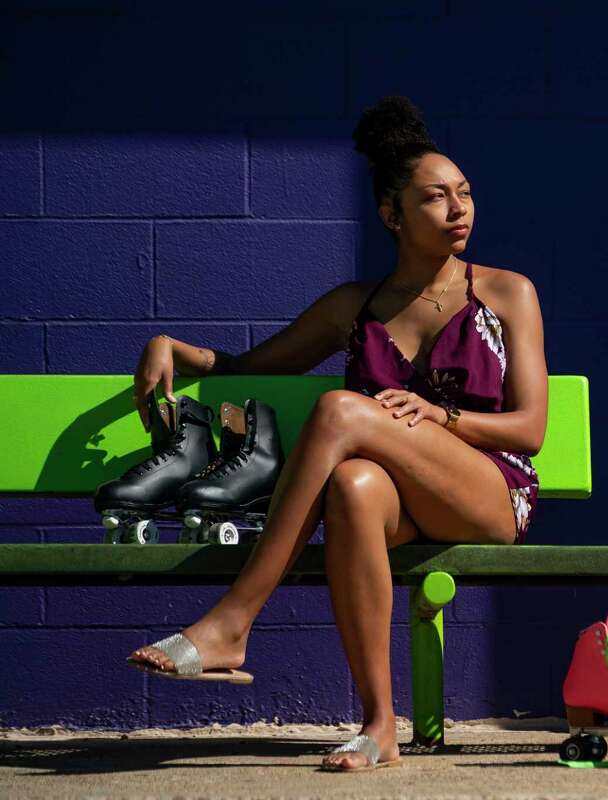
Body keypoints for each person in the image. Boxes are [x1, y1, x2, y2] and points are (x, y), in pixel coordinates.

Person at [125, 95, 548, 772]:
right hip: (398, 504)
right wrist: (169, 345)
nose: (458, 208)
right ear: (392, 215)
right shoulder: (352, 309)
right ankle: (379, 726)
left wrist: (444, 417)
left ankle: (235, 619)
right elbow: (245, 369)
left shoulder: (503, 292)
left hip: (488, 491)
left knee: (337, 411)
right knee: (352, 485)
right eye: (436, 197)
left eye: (464, 194)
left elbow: (531, 430)